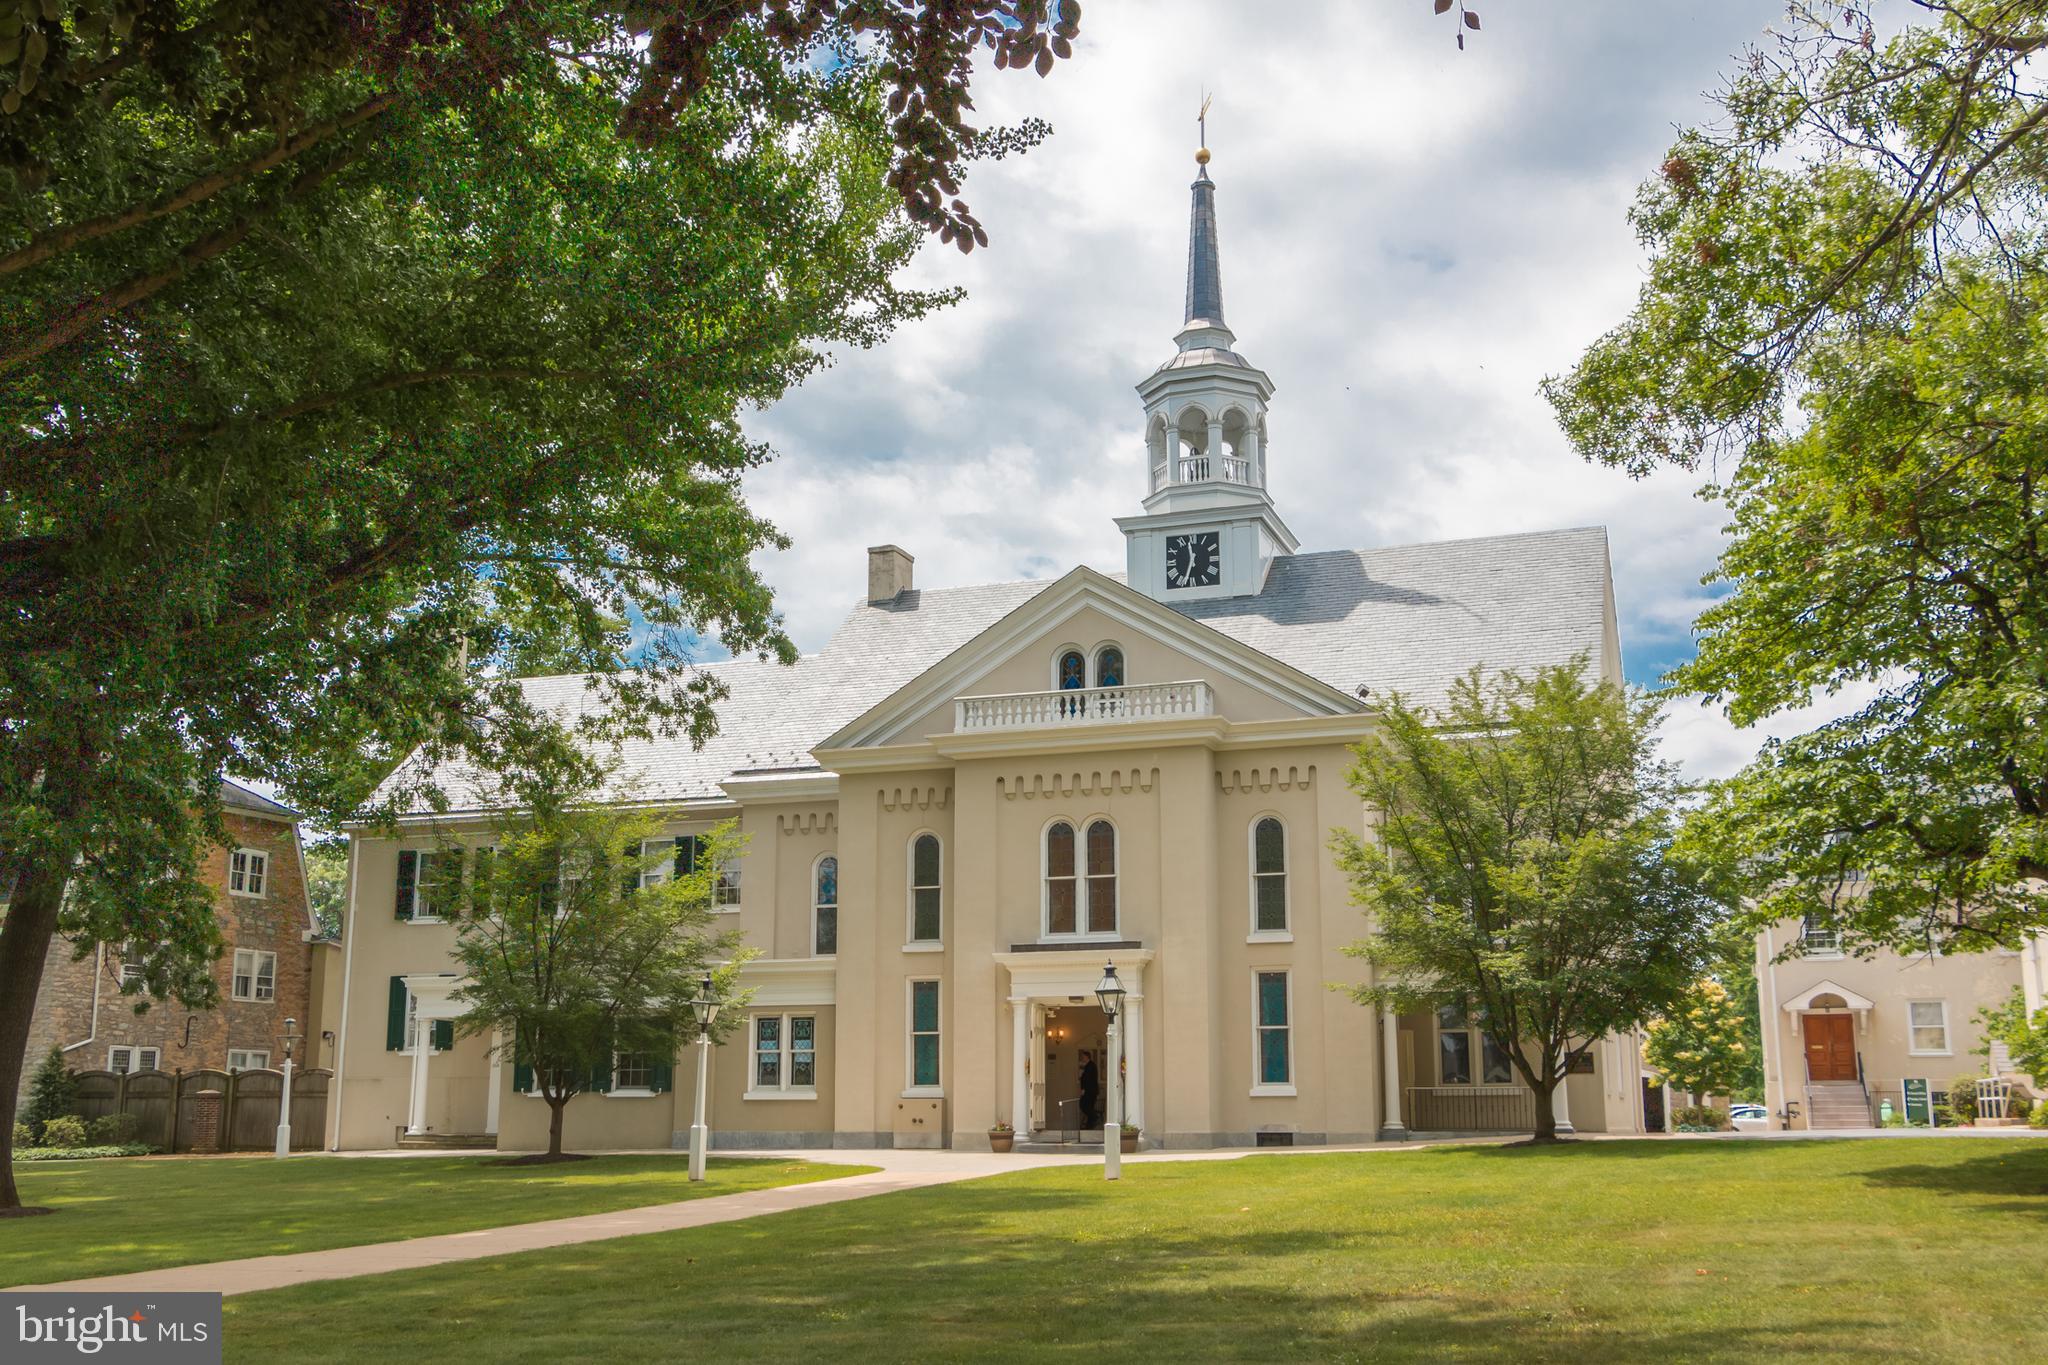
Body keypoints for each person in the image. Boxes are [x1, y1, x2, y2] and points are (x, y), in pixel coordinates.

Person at [1077, 1049, 1100, 1131]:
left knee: (1083, 1105)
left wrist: (1084, 1089)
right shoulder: (1089, 1066)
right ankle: (1089, 1126)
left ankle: (1095, 1117)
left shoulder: (1090, 1066)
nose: (1082, 1058)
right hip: (1090, 1091)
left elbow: (1088, 1079)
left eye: (1083, 1057)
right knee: (1089, 1107)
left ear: (1087, 1057)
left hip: (1089, 1091)